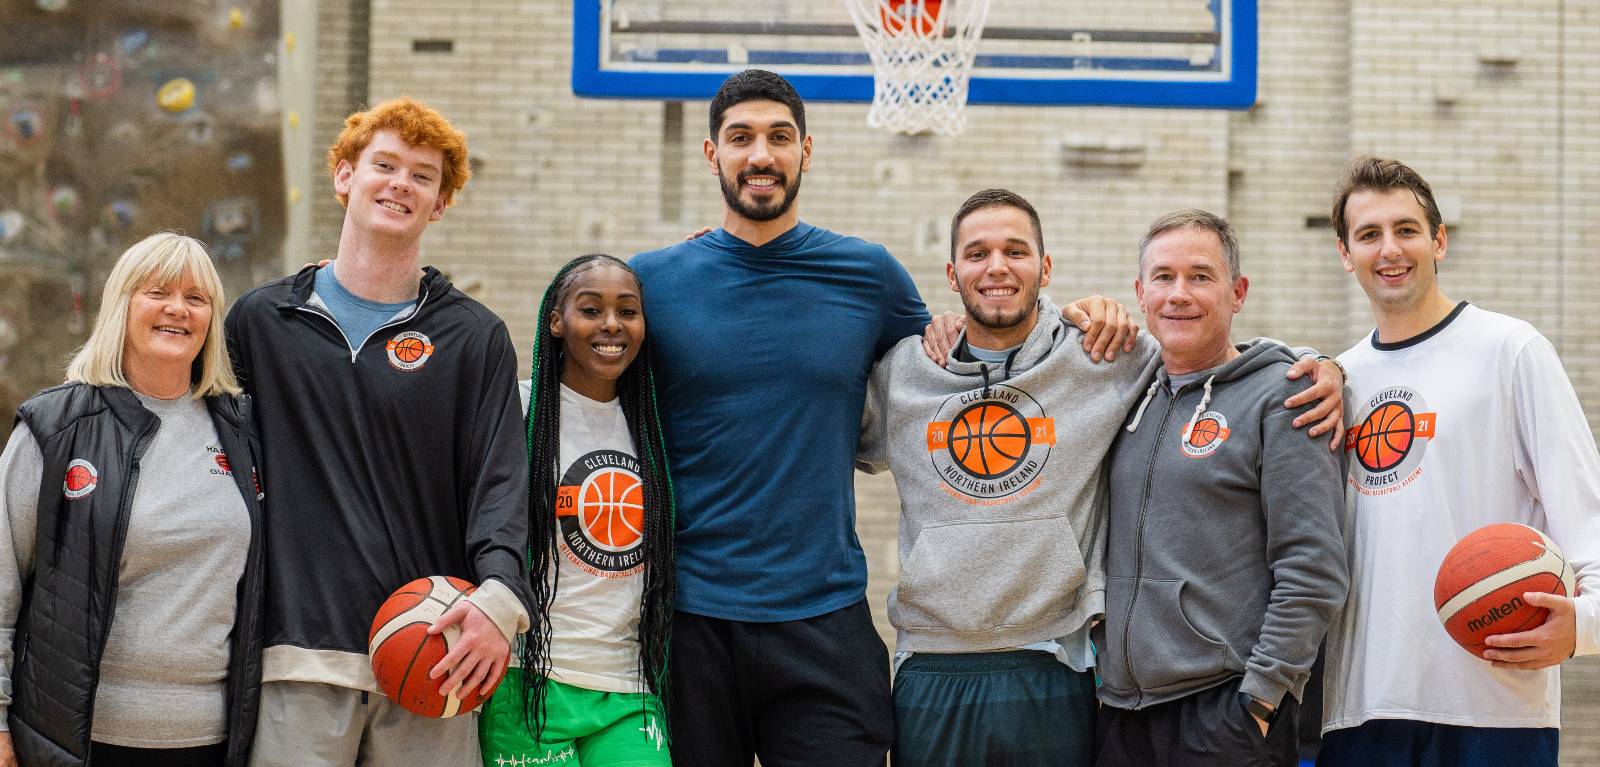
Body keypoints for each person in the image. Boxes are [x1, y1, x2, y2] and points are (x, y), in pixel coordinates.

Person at [630, 69, 1143, 767]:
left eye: (779, 137)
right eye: (741, 138)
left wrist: (1083, 314)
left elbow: (967, 350)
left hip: (824, 611)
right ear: (711, 152)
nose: (761, 155)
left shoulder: (867, 274)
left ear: (806, 151)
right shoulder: (653, 281)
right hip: (690, 614)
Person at [866, 192, 1347, 767]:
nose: (996, 267)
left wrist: (1325, 366)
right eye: (977, 254)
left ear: (1045, 268)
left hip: (1084, 670)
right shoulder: (908, 372)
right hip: (995, 678)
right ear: (952, 274)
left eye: (1015, 251)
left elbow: (1309, 560)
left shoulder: (1108, 360)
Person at [227, 98, 532, 766]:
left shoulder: (474, 337)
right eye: (384, 165)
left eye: (422, 176)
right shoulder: (261, 323)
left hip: (436, 652)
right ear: (344, 176)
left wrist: (501, 597)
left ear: (440, 203)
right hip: (299, 654)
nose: (401, 184)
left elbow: (501, 482)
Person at [1317, 157, 1600, 767]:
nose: (1390, 249)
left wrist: (1585, 624)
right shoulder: (1338, 381)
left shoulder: (1511, 350)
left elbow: (1586, 513)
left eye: (1407, 230)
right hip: (1361, 709)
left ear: (1439, 241)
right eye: (1369, 235)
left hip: (1494, 705)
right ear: (1345, 253)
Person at [1094, 209, 1348, 767]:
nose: (1178, 294)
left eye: (1200, 276)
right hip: (1121, 713)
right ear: (1140, 293)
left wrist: (1262, 696)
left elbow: (1313, 565)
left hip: (1224, 715)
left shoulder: (1287, 398)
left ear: (1238, 292)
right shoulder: (1127, 390)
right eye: (1163, 277)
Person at [0, 232, 265, 767]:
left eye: (196, 298)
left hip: (211, 742)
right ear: (122, 305)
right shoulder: (56, 428)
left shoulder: (243, 432)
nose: (178, 309)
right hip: (80, 742)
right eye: (157, 292)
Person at [476, 253, 675, 767]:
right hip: (528, 681)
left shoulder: (653, 425)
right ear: (556, 322)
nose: (612, 324)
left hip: (627, 687)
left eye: (627, 311)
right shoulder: (518, 409)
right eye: (591, 309)